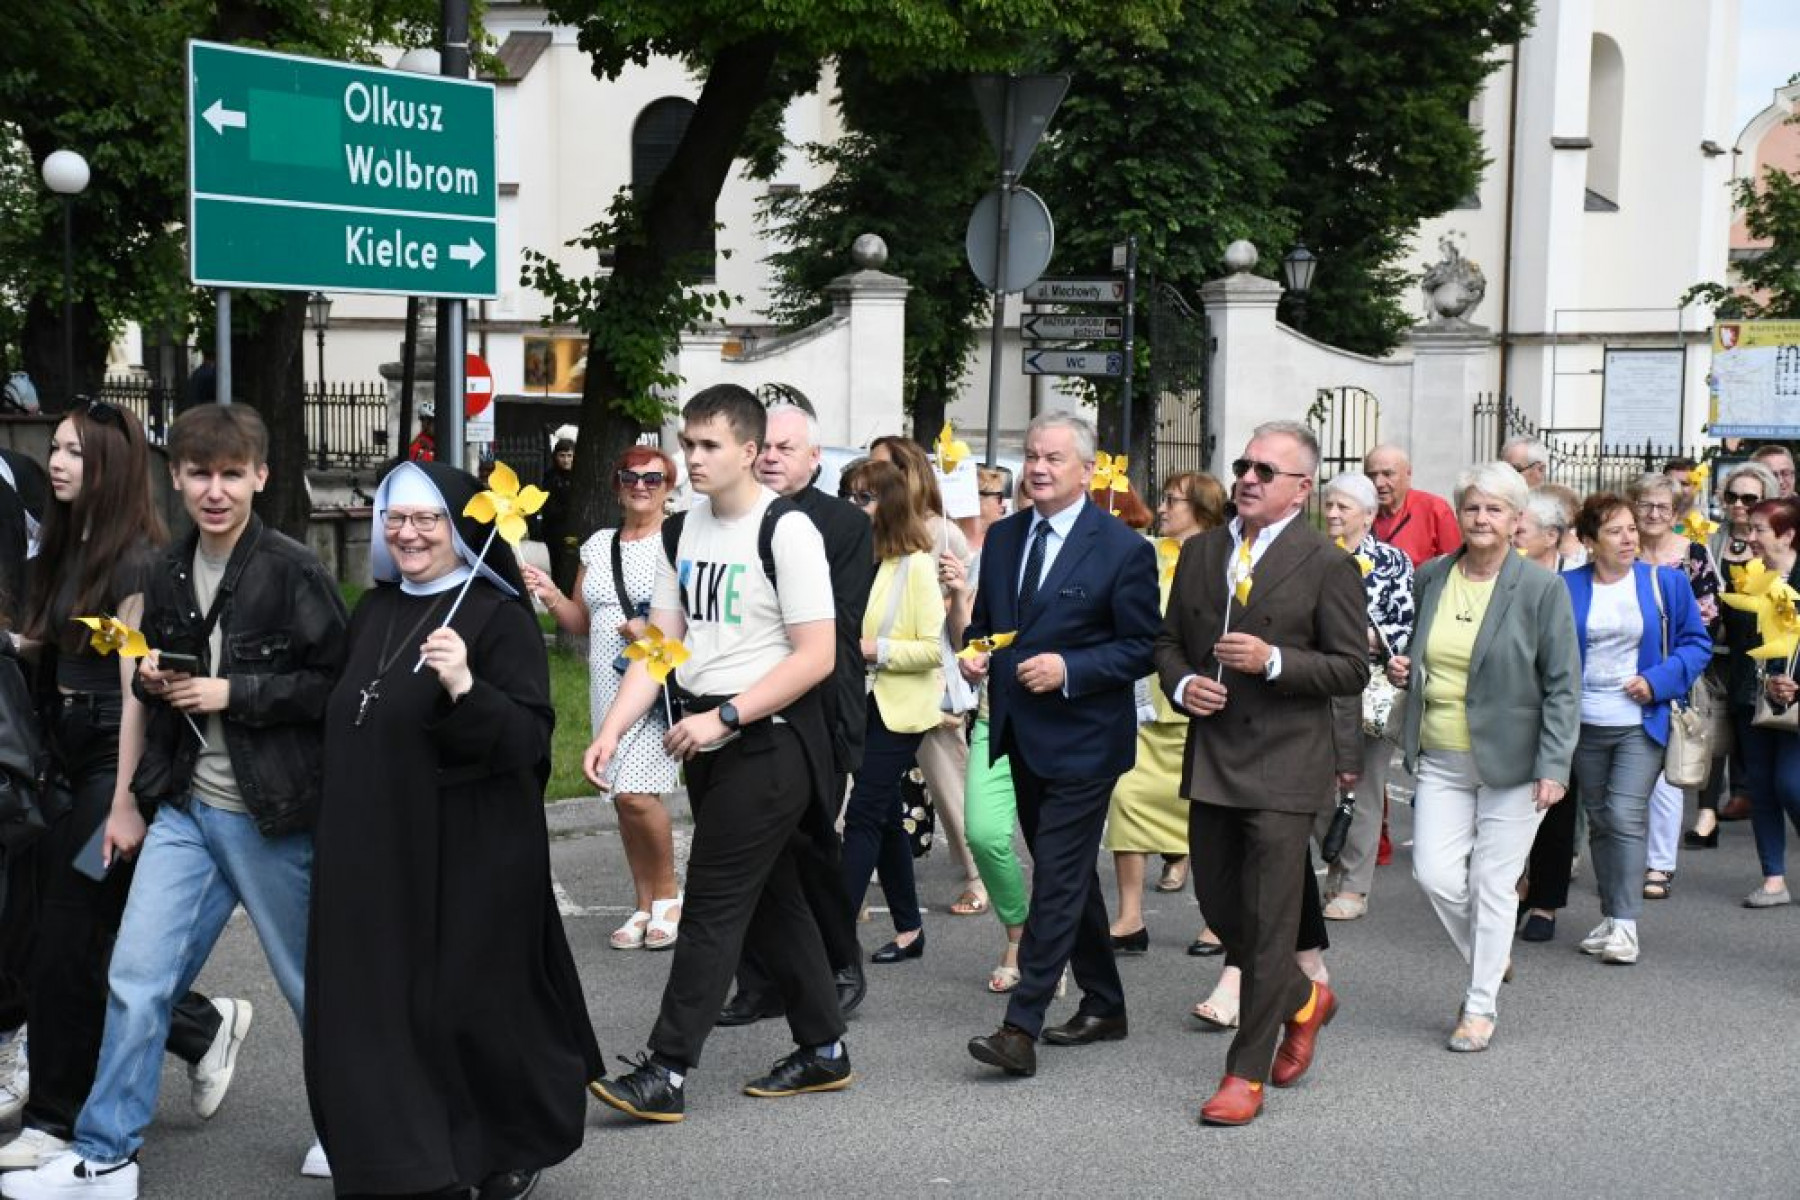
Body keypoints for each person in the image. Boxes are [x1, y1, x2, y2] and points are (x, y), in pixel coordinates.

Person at [1, 405, 350, 1199]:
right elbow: (139, 690)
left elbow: (334, 685)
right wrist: (130, 788)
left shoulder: (292, 570)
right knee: (134, 978)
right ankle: (106, 1153)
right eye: (199, 474)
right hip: (186, 810)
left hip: (269, 815)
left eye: (231, 474)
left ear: (260, 476)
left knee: (313, 988)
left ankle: (354, 1129)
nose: (214, 490)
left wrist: (236, 692)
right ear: (178, 478)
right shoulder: (163, 572)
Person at [305, 461, 601, 1197]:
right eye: (395, 519)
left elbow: (529, 742)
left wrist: (467, 687)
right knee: (375, 1009)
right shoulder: (373, 611)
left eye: (426, 519)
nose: (407, 534)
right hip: (373, 848)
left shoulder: (497, 617)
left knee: (464, 1013)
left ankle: (500, 1148)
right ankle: (399, 1158)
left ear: (462, 528)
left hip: (466, 856)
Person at [0, 403, 248, 1174]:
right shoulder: (67, 544)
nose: (57, 462)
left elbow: (137, 687)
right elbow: (48, 644)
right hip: (63, 759)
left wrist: (125, 802)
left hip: (111, 764)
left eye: (74, 452)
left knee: (68, 940)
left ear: (109, 465)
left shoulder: (137, 561)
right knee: (67, 937)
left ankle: (56, 1119)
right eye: (56, 448)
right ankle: (202, 1028)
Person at [587, 385, 846, 1123]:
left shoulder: (787, 531)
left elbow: (818, 655)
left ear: (749, 451)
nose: (692, 458)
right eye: (687, 443)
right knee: (774, 896)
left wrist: (726, 715)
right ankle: (825, 1048)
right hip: (705, 738)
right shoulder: (682, 531)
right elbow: (662, 647)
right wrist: (612, 728)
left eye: (708, 445)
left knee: (712, 902)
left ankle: (666, 1070)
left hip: (773, 740)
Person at [1154, 421, 1367, 1125]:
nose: (1247, 478)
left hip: (1285, 762)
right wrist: (1183, 684)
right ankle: (1304, 999)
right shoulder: (1202, 550)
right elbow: (1167, 641)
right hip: (1214, 755)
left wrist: (1273, 661)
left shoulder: (1327, 563)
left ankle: (1243, 1073)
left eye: (1265, 471)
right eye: (1244, 465)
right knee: (1221, 909)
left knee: (1271, 925)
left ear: (1302, 490)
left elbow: (1350, 668)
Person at [962, 413, 1160, 1080]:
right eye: (1031, 455)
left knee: (1056, 875)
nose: (1038, 468)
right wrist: (975, 652)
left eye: (1053, 458)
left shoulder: (1122, 548)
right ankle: (1105, 1004)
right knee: (1067, 871)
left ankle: (1020, 1026)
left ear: (1087, 469)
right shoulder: (1005, 536)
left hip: (1086, 741)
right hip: (1020, 735)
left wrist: (1070, 669)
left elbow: (1143, 646)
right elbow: (987, 625)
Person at [1388, 462, 1579, 1053]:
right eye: (1471, 507)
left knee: (1493, 884)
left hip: (1515, 760)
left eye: (1494, 508)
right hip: (1441, 751)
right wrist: (1406, 668)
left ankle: (1479, 1006)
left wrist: (1554, 766)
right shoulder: (1432, 576)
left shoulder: (1542, 589)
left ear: (1517, 520)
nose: (1481, 518)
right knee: (1434, 873)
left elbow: (1563, 684)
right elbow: (1424, 649)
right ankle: (1488, 955)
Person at [718, 402, 870, 1025]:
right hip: (738, 706)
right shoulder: (730, 519)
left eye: (787, 448)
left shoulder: (843, 524)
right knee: (744, 855)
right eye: (767, 447)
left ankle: (839, 963)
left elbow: (837, 625)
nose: (773, 457)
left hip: (818, 712)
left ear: (814, 458)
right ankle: (759, 982)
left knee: (809, 848)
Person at [521, 446, 684, 952]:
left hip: (652, 684)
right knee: (621, 801)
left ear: (668, 487)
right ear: (616, 486)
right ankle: (642, 903)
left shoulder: (677, 541)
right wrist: (550, 595)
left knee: (637, 795)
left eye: (653, 479)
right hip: (605, 686)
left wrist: (647, 633)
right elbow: (581, 623)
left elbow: (690, 626)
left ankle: (669, 895)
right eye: (630, 477)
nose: (641, 486)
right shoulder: (598, 544)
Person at [1562, 491, 1710, 967]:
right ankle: (1611, 915)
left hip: (1640, 723)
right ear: (1589, 541)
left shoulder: (1664, 583)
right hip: (1584, 722)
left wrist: (1656, 681)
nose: (1628, 538)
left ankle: (1625, 924)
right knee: (1600, 819)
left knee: (1624, 816)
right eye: (1614, 531)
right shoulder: (1565, 587)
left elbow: (1696, 644)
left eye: (1631, 529)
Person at [867, 436, 985, 916]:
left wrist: (956, 591)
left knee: (949, 782)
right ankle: (856, 875)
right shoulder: (867, 527)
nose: (871, 478)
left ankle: (978, 875)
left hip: (928, 675)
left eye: (881, 468)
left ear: (909, 473)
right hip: (872, 677)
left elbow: (962, 628)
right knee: (861, 786)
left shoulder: (942, 532)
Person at [837, 460, 943, 964]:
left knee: (862, 814)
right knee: (881, 816)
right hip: (856, 703)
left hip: (898, 709)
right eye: (848, 496)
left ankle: (832, 937)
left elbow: (932, 649)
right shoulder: (853, 558)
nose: (853, 506)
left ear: (891, 505)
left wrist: (874, 650)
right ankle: (909, 928)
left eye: (865, 498)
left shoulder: (915, 564)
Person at [1106, 472, 1215, 952]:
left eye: (1173, 501)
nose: (1163, 508)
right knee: (1126, 798)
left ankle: (1217, 918)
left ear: (1202, 509)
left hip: (1200, 705)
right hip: (1142, 702)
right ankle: (1130, 918)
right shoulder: (1144, 553)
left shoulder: (1224, 560)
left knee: (1207, 817)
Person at [1316, 472, 1414, 921]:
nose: (1333, 514)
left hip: (1368, 686)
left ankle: (1355, 885)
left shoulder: (1391, 561)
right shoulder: (1313, 553)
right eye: (1329, 505)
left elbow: (1403, 625)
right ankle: (1336, 863)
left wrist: (1358, 638)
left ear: (1369, 515)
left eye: (1344, 507)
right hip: (1317, 682)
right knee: (1317, 785)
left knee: (1363, 785)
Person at [1625, 472, 1720, 900]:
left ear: (1676, 512)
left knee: (1666, 771)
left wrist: (1666, 671)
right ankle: (1622, 856)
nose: (1653, 514)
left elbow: (1707, 617)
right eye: (1645, 504)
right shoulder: (1619, 550)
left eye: (1663, 506)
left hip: (1671, 675)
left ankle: (1659, 864)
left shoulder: (1691, 554)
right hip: (1620, 674)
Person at [1513, 487, 1584, 942]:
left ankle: (1545, 902)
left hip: (1559, 703)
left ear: (1552, 535)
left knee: (1555, 804)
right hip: (1510, 705)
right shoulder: (1503, 574)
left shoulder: (1574, 580)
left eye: (1521, 529)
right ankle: (1516, 884)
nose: (1513, 534)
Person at [1702, 462, 1779, 834]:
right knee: (1711, 734)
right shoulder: (1710, 540)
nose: (1738, 505)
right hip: (1716, 652)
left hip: (1758, 653)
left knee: (1752, 733)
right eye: (1732, 496)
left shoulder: (1775, 544)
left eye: (1749, 499)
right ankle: (1706, 815)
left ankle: (1748, 793)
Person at [1731, 497, 1800, 909]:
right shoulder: (1749, 576)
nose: (1751, 536)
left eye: (1760, 529)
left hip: (1795, 700)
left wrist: (1796, 684)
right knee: (1761, 786)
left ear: (1787, 535)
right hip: (1753, 697)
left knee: (1790, 784)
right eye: (1750, 528)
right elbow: (1735, 638)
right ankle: (1773, 878)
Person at [1364, 443, 1461, 567]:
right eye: (1371, 475)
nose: (1378, 483)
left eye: (1388, 474)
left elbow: (1453, 565)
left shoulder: (1435, 509)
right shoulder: (1358, 510)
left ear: (1408, 474)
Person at [532, 438, 579, 593]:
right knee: (558, 565)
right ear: (556, 456)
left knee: (574, 563)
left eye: (569, 455)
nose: (566, 460)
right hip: (555, 530)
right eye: (562, 455)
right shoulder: (550, 477)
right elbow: (549, 506)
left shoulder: (579, 477)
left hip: (574, 528)